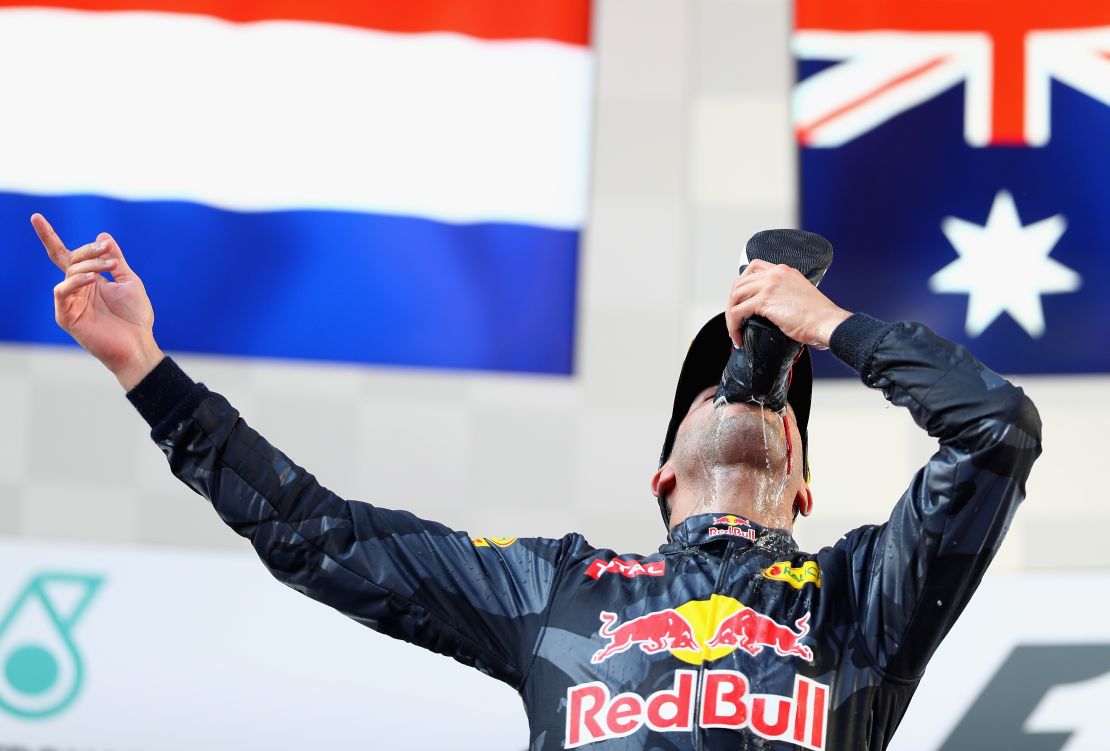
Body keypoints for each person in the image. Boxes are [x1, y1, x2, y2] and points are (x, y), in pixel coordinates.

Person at [32, 214, 1041, 750]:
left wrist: (830, 327)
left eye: (785, 406)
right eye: (703, 393)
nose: (746, 400)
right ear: (662, 468)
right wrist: (143, 370)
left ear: (807, 486)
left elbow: (995, 428)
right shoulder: (560, 586)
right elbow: (317, 534)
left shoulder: (866, 596)